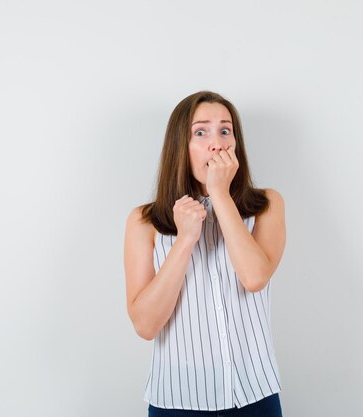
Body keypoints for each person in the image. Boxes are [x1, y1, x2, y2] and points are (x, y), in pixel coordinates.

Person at [124, 91, 286, 417]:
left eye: (225, 130)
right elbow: (145, 325)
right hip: (176, 401)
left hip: (255, 396)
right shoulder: (144, 222)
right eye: (201, 132)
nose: (217, 143)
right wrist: (184, 240)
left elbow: (254, 278)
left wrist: (220, 195)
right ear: (180, 148)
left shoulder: (267, 205)